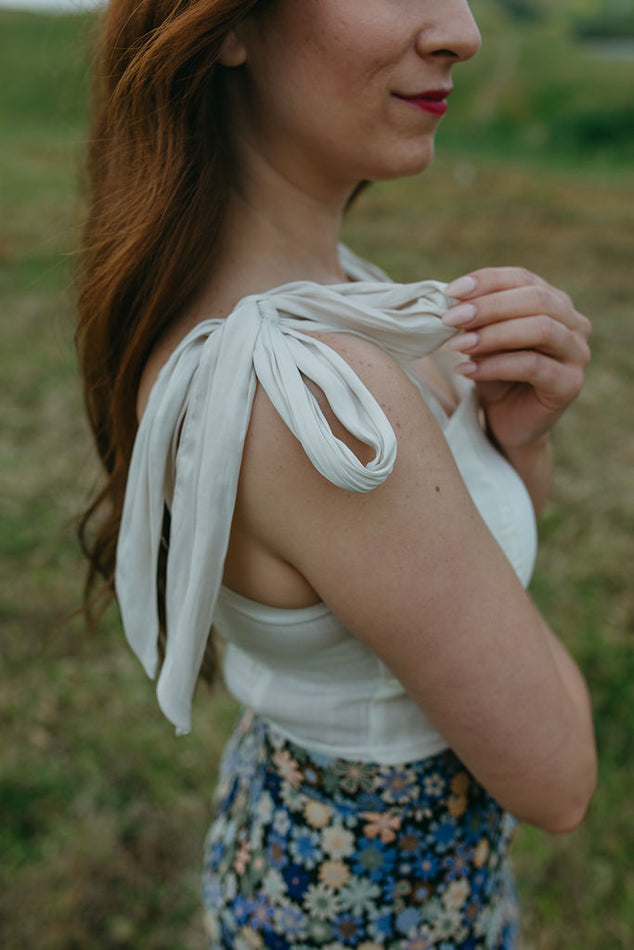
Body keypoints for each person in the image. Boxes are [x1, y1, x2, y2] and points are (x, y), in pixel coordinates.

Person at [76, 1, 597, 947]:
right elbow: (558, 778)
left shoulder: (340, 296)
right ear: (227, 25)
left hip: (304, 848)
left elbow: (469, 562)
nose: (463, 32)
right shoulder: (316, 400)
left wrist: (519, 441)